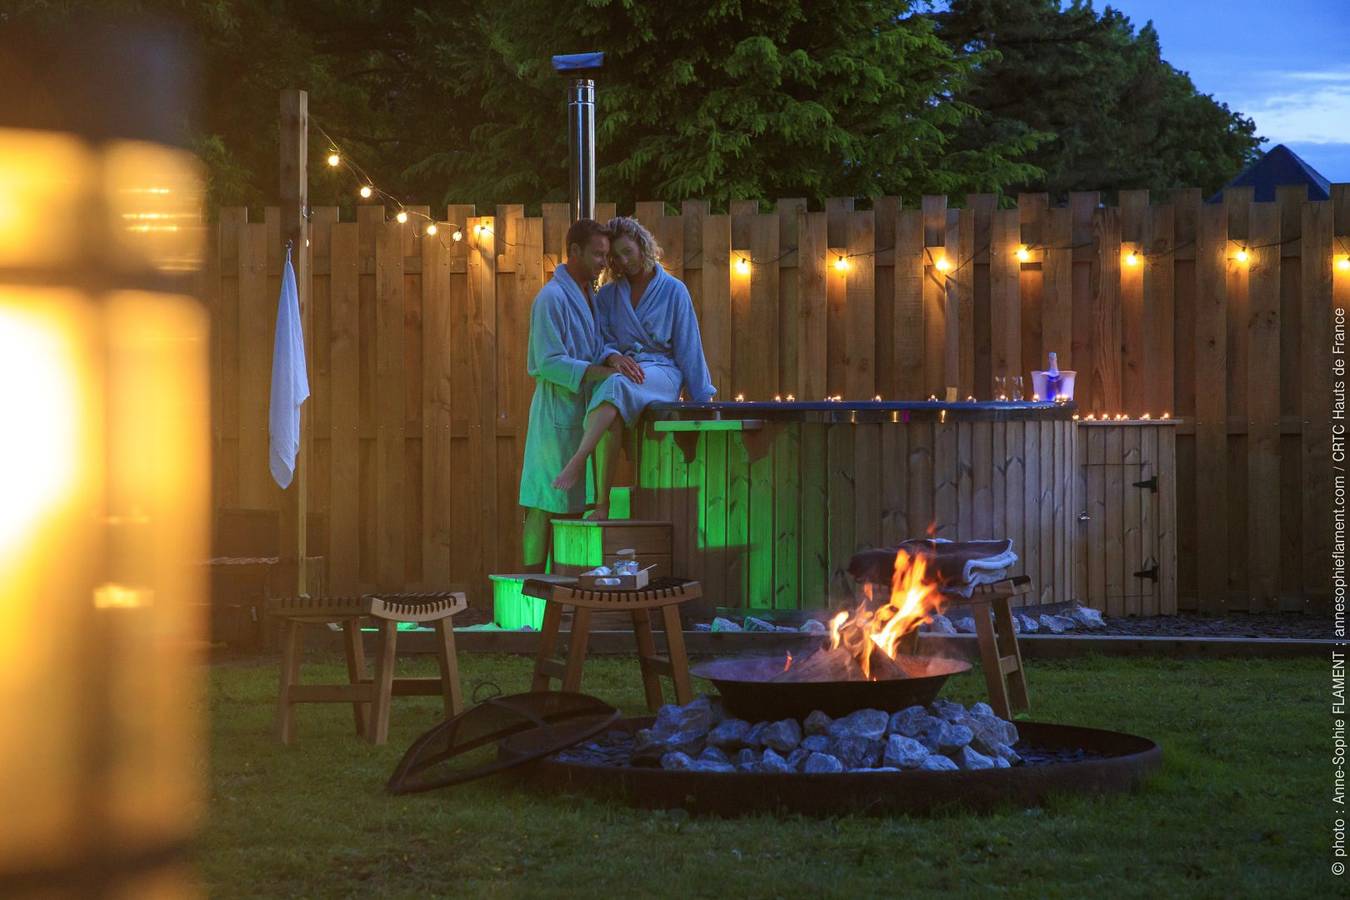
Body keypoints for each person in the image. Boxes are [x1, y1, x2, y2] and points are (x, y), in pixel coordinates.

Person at [551, 215, 715, 517]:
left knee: (614, 385)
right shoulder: (611, 295)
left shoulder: (674, 291)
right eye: (616, 257)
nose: (624, 261)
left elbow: (690, 347)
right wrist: (613, 356)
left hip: (662, 372)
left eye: (629, 251)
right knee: (613, 397)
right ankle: (602, 505)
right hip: (626, 370)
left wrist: (702, 402)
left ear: (643, 245)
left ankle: (577, 461)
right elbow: (600, 340)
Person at [519, 218, 642, 572]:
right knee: (543, 501)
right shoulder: (551, 298)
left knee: (572, 505)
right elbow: (548, 361)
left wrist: (613, 356)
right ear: (574, 251)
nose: (605, 262)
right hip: (555, 410)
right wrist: (603, 372)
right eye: (598, 254)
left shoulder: (591, 295)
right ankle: (531, 592)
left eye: (607, 255)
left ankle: (563, 591)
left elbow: (596, 343)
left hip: (582, 409)